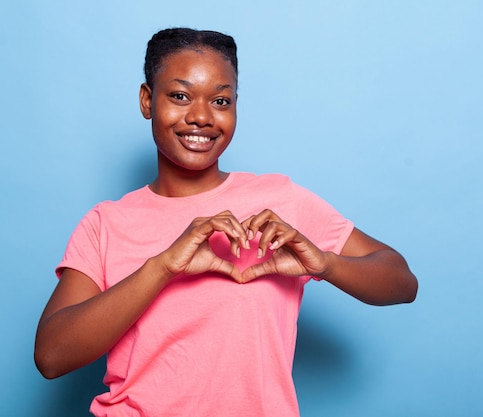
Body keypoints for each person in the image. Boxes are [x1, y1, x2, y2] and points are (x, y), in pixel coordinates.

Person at [34, 27, 418, 416]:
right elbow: (51, 356)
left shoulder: (279, 201)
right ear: (147, 100)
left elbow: (402, 281)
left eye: (220, 100)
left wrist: (326, 263)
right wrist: (163, 267)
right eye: (180, 96)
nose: (201, 117)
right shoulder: (106, 224)